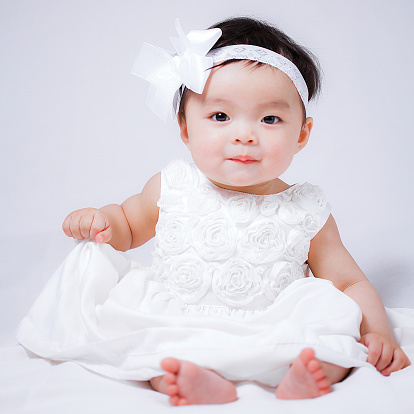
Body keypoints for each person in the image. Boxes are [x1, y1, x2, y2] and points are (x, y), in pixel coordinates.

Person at [17, 17, 410, 406]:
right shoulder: (173, 186)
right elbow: (127, 225)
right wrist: (101, 221)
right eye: (220, 116)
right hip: (179, 321)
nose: (244, 135)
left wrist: (378, 333)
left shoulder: (305, 209)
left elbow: (348, 283)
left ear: (302, 134)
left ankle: (307, 373)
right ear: (186, 128)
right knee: (146, 341)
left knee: (330, 318)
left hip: (274, 326)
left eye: (270, 119)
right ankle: (193, 380)